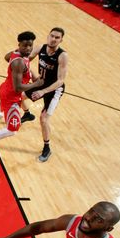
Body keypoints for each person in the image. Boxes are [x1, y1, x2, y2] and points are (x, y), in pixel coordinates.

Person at [0, 31, 43, 156]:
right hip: (11, 95)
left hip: (6, 89)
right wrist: (36, 84)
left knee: (3, 105)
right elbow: (18, 88)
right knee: (12, 130)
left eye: (30, 45)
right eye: (25, 45)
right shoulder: (19, 62)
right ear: (19, 44)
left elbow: (6, 57)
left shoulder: (16, 53)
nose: (28, 48)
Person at [24, 27, 68, 162]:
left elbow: (61, 80)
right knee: (21, 95)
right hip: (41, 83)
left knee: (43, 119)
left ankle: (47, 148)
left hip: (54, 89)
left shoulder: (62, 56)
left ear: (61, 40)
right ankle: (27, 114)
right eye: (52, 36)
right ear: (48, 36)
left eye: (57, 37)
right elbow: (25, 61)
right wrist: (33, 75)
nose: (54, 39)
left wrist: (42, 91)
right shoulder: (40, 48)